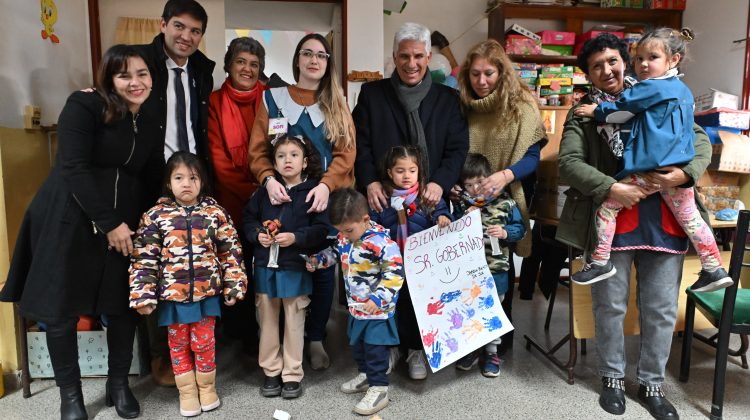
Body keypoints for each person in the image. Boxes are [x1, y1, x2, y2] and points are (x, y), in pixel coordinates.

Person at [556, 33, 713, 420]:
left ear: (626, 61)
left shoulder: (663, 91)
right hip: (615, 223)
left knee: (659, 309)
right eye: (596, 66)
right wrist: (612, 187)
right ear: (589, 75)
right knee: (609, 305)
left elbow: (701, 142)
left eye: (612, 61)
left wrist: (684, 173)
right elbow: (569, 164)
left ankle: (651, 383)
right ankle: (611, 377)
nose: (607, 70)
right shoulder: (585, 112)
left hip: (665, 220)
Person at [0, 44, 158, 420]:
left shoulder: (151, 117)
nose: (135, 83)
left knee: (123, 306)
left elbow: (150, 173)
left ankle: (118, 383)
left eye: (142, 74)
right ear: (108, 77)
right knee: (60, 312)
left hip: (123, 224)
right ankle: (69, 396)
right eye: (124, 75)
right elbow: (72, 167)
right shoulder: (84, 105)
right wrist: (110, 224)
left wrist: (156, 221)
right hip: (69, 218)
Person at [571, 28, 731, 292]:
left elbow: (622, 110)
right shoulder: (683, 91)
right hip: (675, 169)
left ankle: (600, 261)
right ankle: (714, 267)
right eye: (639, 59)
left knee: (608, 207)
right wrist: (685, 172)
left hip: (650, 168)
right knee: (691, 218)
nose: (643, 64)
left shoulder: (650, 88)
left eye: (652, 57)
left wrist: (596, 111)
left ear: (673, 60)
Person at [353, 22, 468, 379]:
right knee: (385, 279)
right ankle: (388, 347)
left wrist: (440, 182)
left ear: (429, 57)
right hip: (384, 205)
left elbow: (457, 148)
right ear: (394, 58)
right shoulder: (372, 95)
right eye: (404, 56)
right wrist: (370, 179)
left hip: (428, 207)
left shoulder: (447, 99)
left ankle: (418, 348)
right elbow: (361, 146)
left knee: (425, 281)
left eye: (419, 56)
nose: (412, 63)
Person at [248, 33, 356, 371]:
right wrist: (267, 180)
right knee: (283, 272)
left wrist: (326, 185)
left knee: (322, 271)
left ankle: (314, 338)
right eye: (307, 53)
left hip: (325, 201)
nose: (314, 60)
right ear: (297, 59)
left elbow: (346, 154)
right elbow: (257, 152)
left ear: (328, 63)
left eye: (321, 55)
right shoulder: (272, 99)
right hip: (282, 201)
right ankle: (279, 346)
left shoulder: (337, 101)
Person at [129, 152, 247, 417]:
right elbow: (144, 257)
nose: (186, 184)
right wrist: (142, 295)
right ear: (168, 183)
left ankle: (206, 388)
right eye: (179, 177)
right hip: (173, 298)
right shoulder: (155, 216)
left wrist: (234, 285)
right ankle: (187, 393)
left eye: (193, 178)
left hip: (206, 295)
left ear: (202, 182)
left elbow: (231, 251)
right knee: (178, 344)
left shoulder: (215, 213)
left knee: (204, 343)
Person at [135, 0, 216, 387]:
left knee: (195, 262)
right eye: (180, 27)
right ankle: (160, 354)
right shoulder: (142, 65)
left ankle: (199, 348)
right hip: (153, 180)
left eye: (195, 31)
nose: (186, 36)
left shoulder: (202, 70)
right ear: (163, 24)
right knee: (158, 267)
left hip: (194, 180)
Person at [455, 38, 546, 348]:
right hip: (468, 197)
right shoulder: (463, 106)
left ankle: (498, 341)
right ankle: (470, 341)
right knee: (468, 271)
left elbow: (532, 157)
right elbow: (455, 151)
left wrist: (504, 176)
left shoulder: (522, 105)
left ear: (502, 73)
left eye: (489, 74)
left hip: (506, 196)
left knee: (499, 265)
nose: (482, 81)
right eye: (475, 74)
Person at [244, 135, 330, 399]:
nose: (287, 160)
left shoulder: (313, 191)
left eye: (293, 155)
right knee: (267, 320)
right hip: (265, 268)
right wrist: (257, 233)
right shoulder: (263, 192)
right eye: (281, 156)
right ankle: (271, 371)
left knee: (294, 318)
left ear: (305, 162)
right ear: (274, 163)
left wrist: (296, 238)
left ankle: (292, 374)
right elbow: (248, 219)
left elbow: (321, 230)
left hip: (295, 266)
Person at [306, 188, 404, 416]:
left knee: (374, 350)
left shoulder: (382, 244)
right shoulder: (345, 238)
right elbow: (334, 252)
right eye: (341, 231)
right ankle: (365, 376)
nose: (346, 235)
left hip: (378, 311)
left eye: (349, 230)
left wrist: (377, 298)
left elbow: (395, 273)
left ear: (365, 219)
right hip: (357, 308)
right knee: (358, 346)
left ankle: (379, 388)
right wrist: (318, 261)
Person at [367, 145, 451, 379]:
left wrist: (443, 218)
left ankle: (416, 352)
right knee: (390, 309)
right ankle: (392, 350)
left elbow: (442, 215)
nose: (406, 176)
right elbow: (371, 228)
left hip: (420, 271)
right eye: (400, 170)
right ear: (390, 172)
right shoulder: (382, 200)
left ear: (419, 172)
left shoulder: (427, 198)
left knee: (416, 311)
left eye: (411, 170)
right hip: (389, 271)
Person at [207, 36, 266, 350]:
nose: (247, 68)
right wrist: (252, 192)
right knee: (235, 265)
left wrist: (267, 187)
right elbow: (218, 160)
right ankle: (242, 336)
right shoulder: (214, 102)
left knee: (270, 267)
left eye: (254, 64)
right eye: (241, 61)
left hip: (270, 199)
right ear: (229, 65)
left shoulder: (272, 98)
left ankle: (273, 332)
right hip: (231, 202)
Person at [452, 153, 525, 377]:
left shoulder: (506, 203)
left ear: (489, 178)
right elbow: (451, 234)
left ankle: (492, 352)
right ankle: (472, 350)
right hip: (468, 273)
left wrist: (504, 232)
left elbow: (520, 230)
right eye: (469, 185)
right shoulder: (462, 205)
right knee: (470, 311)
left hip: (496, 271)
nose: (475, 189)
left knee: (493, 311)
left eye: (479, 182)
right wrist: (463, 217)